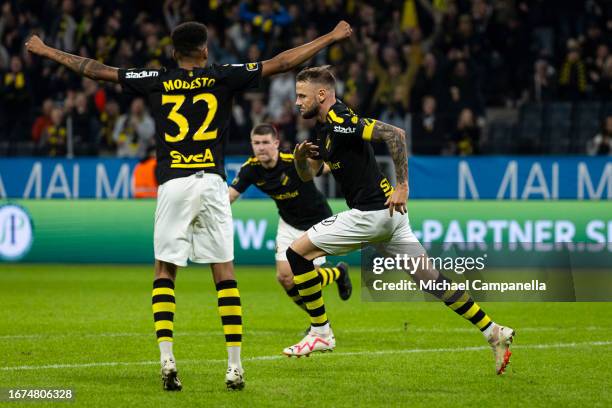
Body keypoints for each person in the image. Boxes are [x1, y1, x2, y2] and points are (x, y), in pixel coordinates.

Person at [26, 20, 353, 390]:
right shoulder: (222, 76)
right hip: (213, 183)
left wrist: (47, 50)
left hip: (174, 183)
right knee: (224, 274)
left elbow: (98, 70)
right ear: (204, 50)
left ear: (172, 52)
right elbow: (281, 62)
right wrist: (329, 36)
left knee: (165, 271)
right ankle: (234, 367)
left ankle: (167, 360)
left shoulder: (157, 78)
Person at [285, 66, 515, 375]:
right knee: (432, 281)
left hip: (370, 215)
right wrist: (301, 160)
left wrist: (403, 185)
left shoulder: (342, 120)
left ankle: (321, 333)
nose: (297, 102)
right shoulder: (326, 129)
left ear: (322, 94)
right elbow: (310, 175)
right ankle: (493, 331)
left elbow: (395, 134)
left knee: (295, 253)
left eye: (302, 95)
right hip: (391, 220)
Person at [229, 123, 352, 320]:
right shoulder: (250, 169)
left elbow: (320, 169)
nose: (261, 147)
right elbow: (230, 196)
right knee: (286, 278)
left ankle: (337, 274)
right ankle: (320, 321)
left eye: (265, 142)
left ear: (276, 143)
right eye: (256, 143)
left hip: (317, 222)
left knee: (307, 279)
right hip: (288, 223)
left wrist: (345, 162)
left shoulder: (293, 161)